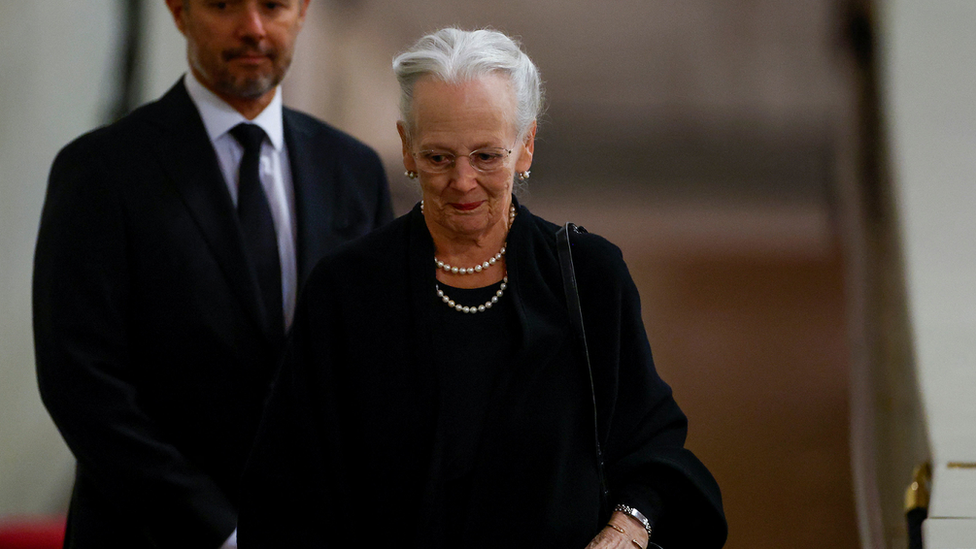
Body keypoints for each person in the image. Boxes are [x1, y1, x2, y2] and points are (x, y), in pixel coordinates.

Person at [238, 28, 726, 548]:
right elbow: (285, 488)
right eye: (439, 157)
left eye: (487, 156)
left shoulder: (589, 277)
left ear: (526, 147)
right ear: (406, 147)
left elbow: (653, 447)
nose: (463, 181)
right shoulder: (346, 289)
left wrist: (626, 529)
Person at [32, 1, 392, 548]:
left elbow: (373, 368)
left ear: (302, 11)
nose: (252, 28)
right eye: (223, 5)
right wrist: (220, 530)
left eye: (273, 6)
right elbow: (81, 383)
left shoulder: (354, 171)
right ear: (178, 11)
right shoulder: (100, 170)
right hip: (147, 535)